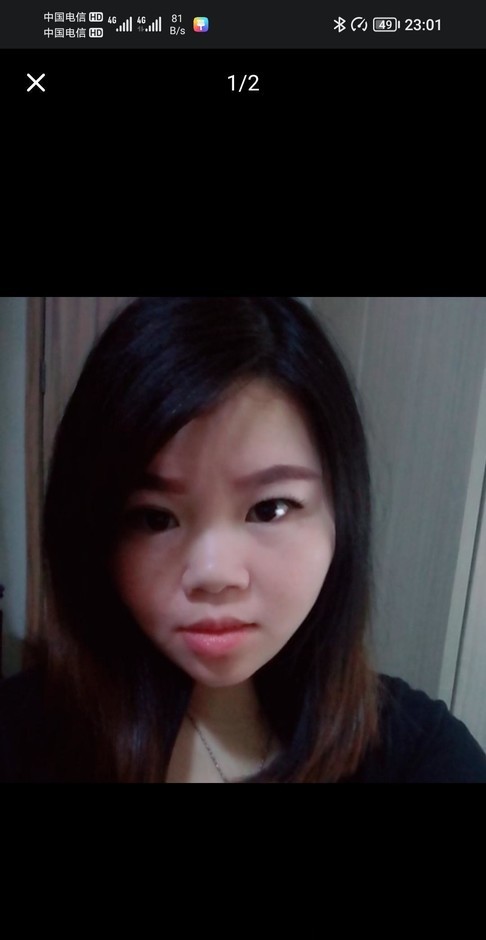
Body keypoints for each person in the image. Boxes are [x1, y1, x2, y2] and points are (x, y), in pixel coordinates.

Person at [1, 296, 486, 783]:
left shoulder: (419, 754)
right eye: (154, 518)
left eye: (269, 509)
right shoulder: (20, 738)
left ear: (341, 510)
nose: (215, 575)